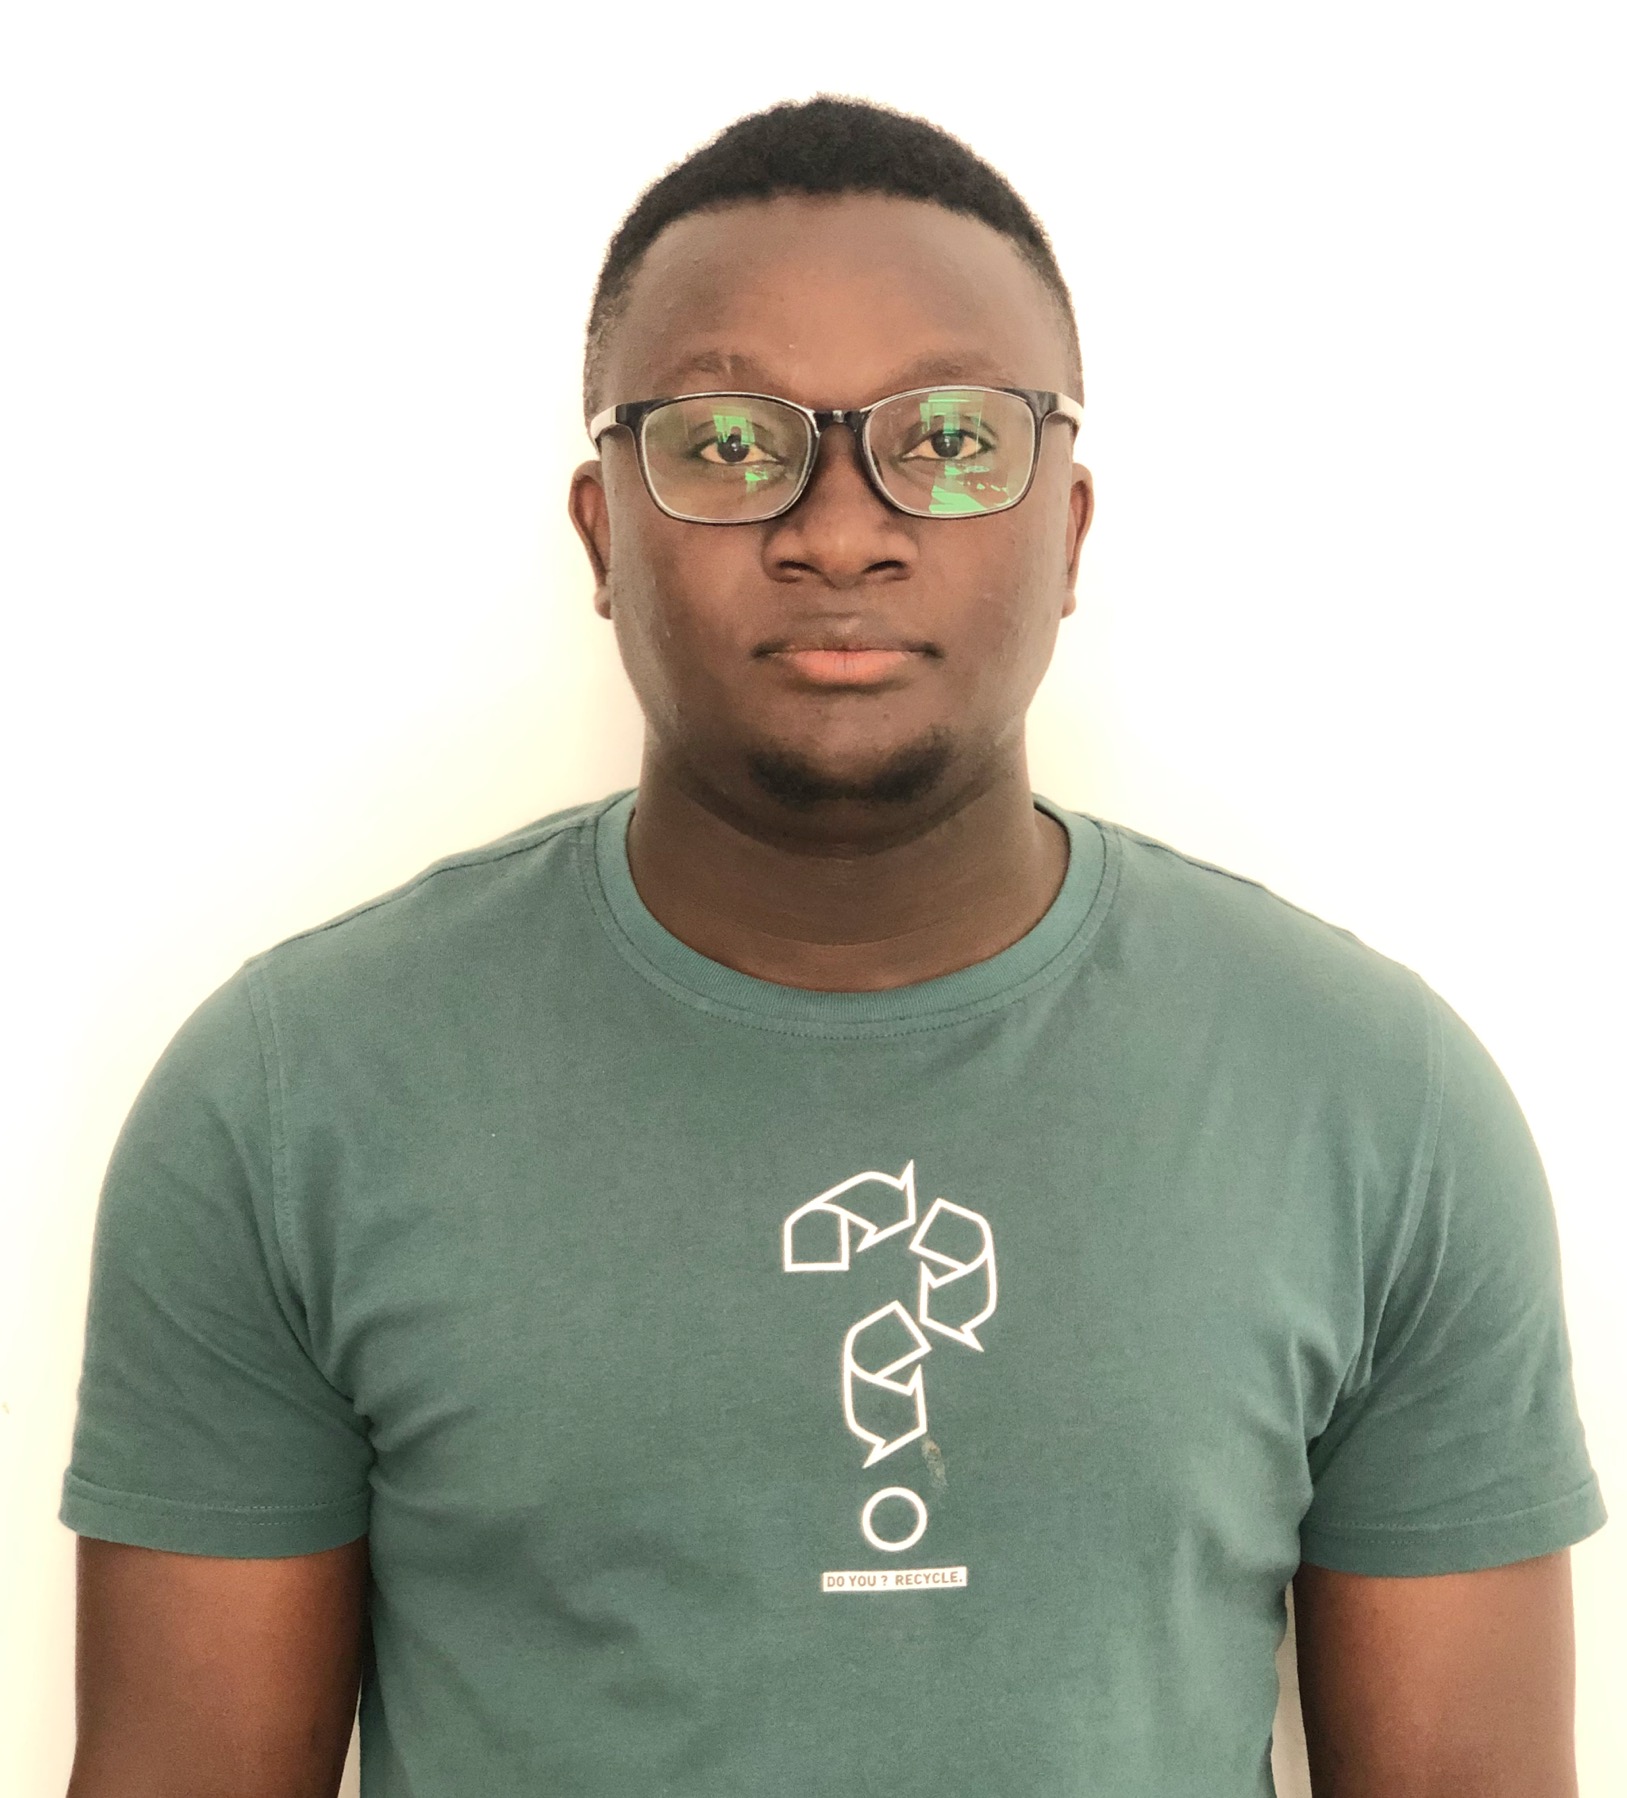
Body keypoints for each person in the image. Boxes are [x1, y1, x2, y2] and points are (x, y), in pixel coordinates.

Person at [61, 97, 1605, 1798]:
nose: (842, 527)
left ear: (1070, 530)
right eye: (730, 443)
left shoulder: (1373, 1101)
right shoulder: (292, 1104)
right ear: (602, 532)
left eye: (949, 438)